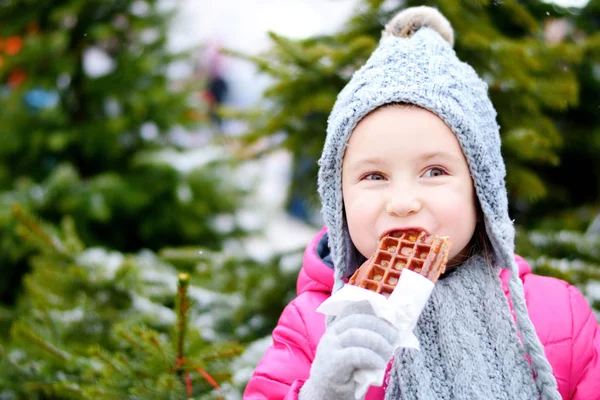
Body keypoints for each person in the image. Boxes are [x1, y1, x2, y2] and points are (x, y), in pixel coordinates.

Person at [243, 6, 599, 400]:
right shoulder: (315, 328)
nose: (403, 202)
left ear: (482, 191)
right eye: (374, 177)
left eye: (434, 171)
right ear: (338, 201)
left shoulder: (556, 315)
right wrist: (321, 392)